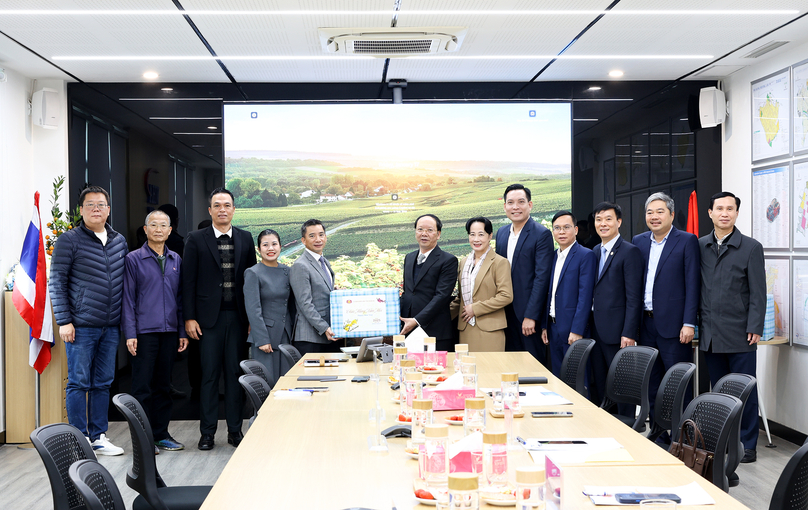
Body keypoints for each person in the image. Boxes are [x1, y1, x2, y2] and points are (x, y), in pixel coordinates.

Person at [49, 185, 128, 456]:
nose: (96, 209)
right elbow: (57, 282)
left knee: (103, 382)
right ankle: (79, 439)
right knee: (79, 382)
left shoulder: (119, 240)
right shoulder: (69, 240)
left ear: (108, 209)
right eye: (90, 205)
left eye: (101, 204)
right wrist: (64, 321)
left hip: (110, 326)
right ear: (81, 210)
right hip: (80, 326)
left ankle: (98, 436)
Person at [182, 187, 256, 450]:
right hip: (207, 321)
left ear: (234, 209)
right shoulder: (195, 239)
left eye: (227, 205)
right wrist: (189, 318)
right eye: (217, 205)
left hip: (237, 318)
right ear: (210, 210)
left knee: (235, 375)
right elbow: (187, 281)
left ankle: (235, 431)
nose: (222, 209)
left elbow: (250, 282)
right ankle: (207, 433)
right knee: (209, 376)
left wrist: (251, 320)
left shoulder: (246, 239)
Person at [699, 192, 765, 463]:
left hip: (741, 332)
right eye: (719, 208)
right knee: (719, 391)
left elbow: (758, 292)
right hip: (711, 334)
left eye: (730, 209)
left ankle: (748, 444)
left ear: (737, 213)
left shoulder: (750, 247)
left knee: (744, 391)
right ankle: (723, 441)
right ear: (710, 213)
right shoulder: (700, 246)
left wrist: (755, 325)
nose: (725, 213)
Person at [633, 192, 700, 432]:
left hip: (675, 326)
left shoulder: (686, 240)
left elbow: (693, 284)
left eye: (660, 211)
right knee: (651, 382)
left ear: (671, 214)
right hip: (646, 323)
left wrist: (689, 322)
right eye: (650, 212)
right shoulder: (639, 241)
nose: (654, 216)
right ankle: (658, 433)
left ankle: (682, 436)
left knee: (677, 382)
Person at [122, 210, 188, 452]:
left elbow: (180, 300)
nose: (158, 229)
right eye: (153, 225)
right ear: (145, 229)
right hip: (143, 332)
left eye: (163, 225)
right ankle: (141, 439)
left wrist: (181, 331)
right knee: (142, 387)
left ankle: (160, 434)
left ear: (170, 231)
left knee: (163, 385)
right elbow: (127, 300)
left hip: (169, 331)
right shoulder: (133, 259)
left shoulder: (176, 260)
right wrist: (130, 333)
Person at [588, 202, 643, 409]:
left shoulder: (630, 252)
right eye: (598, 219)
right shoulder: (594, 251)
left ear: (619, 222)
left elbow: (633, 297)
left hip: (619, 332)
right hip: (596, 329)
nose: (603, 224)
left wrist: (629, 332)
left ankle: (627, 428)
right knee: (602, 385)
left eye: (608, 219)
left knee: (622, 385)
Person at [494, 184, 554, 364]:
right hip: (505, 312)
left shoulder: (541, 234)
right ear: (504, 206)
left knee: (532, 365)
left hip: (528, 315)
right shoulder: (502, 233)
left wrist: (531, 315)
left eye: (521, 202)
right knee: (510, 363)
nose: (515, 207)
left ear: (530, 205)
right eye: (510, 203)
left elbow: (541, 277)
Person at [541, 211, 596, 376]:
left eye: (566, 227)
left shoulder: (586, 255)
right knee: (558, 378)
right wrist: (545, 325)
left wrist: (577, 330)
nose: (561, 232)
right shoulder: (552, 257)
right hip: (553, 327)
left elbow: (585, 296)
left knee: (577, 378)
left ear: (576, 230)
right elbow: (549, 293)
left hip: (573, 329)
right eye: (557, 228)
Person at [450, 217, 513, 352]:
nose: (476, 239)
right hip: (466, 327)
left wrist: (476, 308)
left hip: (489, 329)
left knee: (489, 371)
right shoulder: (463, 262)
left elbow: (506, 296)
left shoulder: (499, 262)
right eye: (472, 234)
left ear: (490, 236)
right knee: (467, 369)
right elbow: (461, 298)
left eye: (481, 234)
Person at [399, 214, 458, 352]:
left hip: (435, 332)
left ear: (438, 234)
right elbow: (408, 293)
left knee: (437, 371)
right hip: (408, 330)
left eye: (430, 230)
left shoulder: (448, 260)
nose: (424, 234)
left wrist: (417, 320)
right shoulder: (409, 257)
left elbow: (442, 296)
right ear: (415, 232)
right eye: (420, 229)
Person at [244, 229, 295, 383]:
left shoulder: (287, 270)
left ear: (280, 246)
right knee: (267, 381)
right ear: (259, 249)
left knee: (286, 382)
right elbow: (253, 309)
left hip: (286, 333)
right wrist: (262, 339)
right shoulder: (253, 272)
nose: (270, 248)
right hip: (266, 336)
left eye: (274, 244)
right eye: (265, 245)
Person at [290, 219, 339, 354]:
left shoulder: (324, 262)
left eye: (321, 234)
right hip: (310, 338)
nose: (318, 239)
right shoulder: (300, 265)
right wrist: (324, 328)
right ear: (303, 240)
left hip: (327, 335)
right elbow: (305, 304)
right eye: (312, 236)